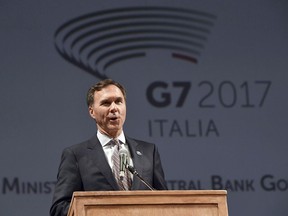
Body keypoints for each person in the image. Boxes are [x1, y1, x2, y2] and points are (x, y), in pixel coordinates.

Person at [50, 79, 167, 216]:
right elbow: (59, 208)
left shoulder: (149, 151)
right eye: (106, 103)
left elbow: (165, 201)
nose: (114, 108)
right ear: (92, 111)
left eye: (118, 101)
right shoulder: (76, 155)